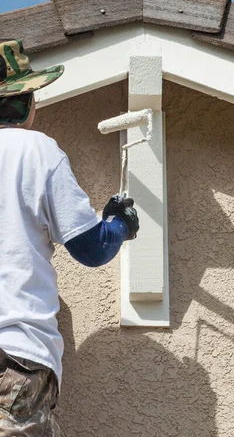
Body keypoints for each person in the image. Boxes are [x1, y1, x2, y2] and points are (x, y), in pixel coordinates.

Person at [0, 40, 139, 436]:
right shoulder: (35, 150)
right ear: (26, 103)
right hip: (16, 353)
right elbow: (91, 248)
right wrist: (119, 224)